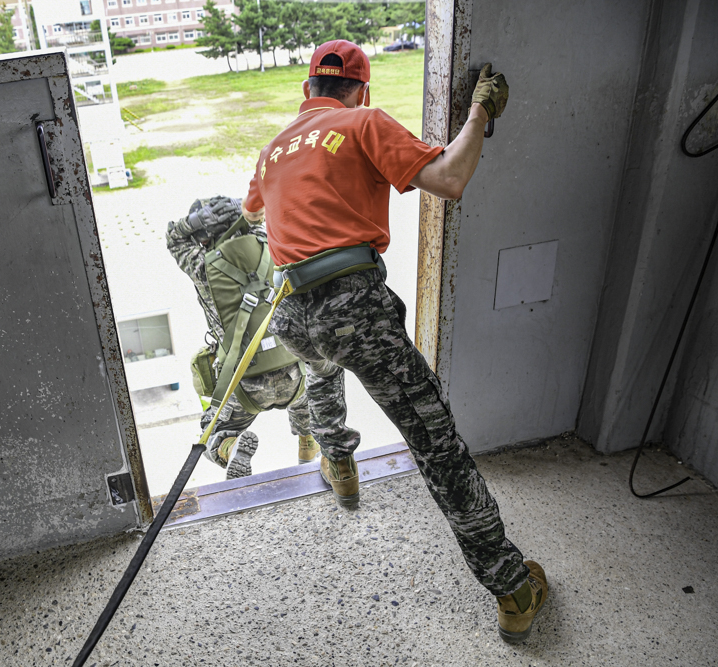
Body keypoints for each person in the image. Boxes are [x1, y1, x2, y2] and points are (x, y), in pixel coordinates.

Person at [242, 40, 547, 643]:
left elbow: (253, 213)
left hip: (293, 310)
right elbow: (449, 178)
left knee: (321, 367)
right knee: (436, 444)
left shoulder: (272, 148)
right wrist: (479, 113)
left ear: (307, 92)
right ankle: (513, 587)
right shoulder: (363, 122)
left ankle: (340, 466)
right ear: (363, 91)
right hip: (352, 302)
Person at [166, 196, 320, 479]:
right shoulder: (271, 243)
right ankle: (308, 444)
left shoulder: (202, 267)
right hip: (294, 372)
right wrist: (245, 209)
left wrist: (194, 222)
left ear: (204, 237)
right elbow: (276, 211)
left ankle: (229, 446)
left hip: (243, 385)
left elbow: (173, 240)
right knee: (309, 402)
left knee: (211, 429)